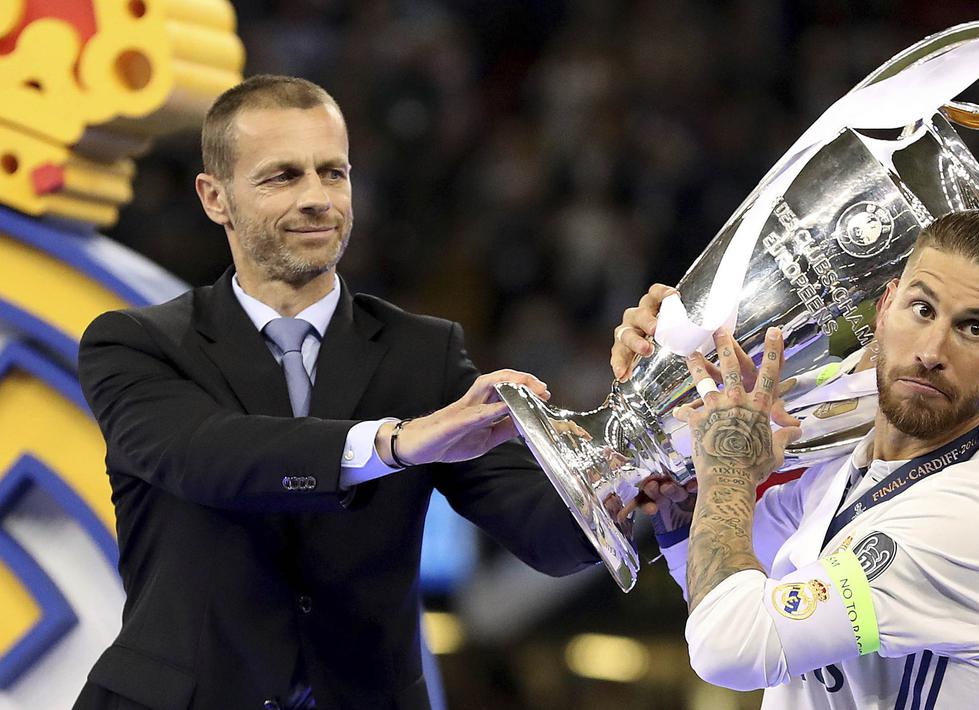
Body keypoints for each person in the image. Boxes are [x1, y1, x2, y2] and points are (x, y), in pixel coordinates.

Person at [73, 75, 597, 710]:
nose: (319, 198)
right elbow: (204, 457)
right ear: (216, 198)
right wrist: (392, 443)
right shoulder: (135, 344)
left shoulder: (424, 354)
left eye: (334, 172)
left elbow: (545, 535)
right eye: (283, 176)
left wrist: (643, 489)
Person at [613, 209, 979, 709]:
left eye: (974, 328)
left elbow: (728, 648)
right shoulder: (860, 465)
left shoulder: (971, 521)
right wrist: (686, 501)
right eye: (923, 310)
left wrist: (730, 473)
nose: (932, 350)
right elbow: (725, 592)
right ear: (886, 309)